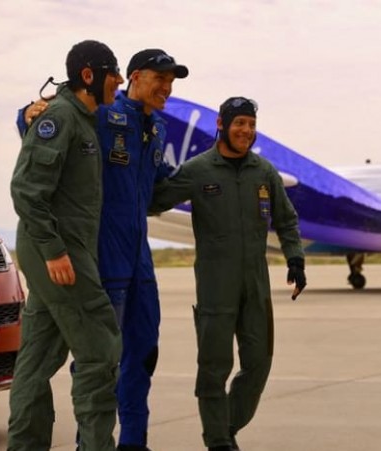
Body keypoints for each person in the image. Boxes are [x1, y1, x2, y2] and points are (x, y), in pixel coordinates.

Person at [18, 49, 189, 451]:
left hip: (139, 260)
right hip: (103, 256)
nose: (167, 87)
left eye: (171, 81)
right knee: (100, 361)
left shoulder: (157, 127)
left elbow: (156, 189)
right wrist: (26, 113)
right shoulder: (101, 112)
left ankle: (133, 442)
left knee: (143, 353)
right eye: (160, 79)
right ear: (135, 77)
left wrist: (205, 177)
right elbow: (50, 123)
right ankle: (90, 443)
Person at [149, 97, 307, 451]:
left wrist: (295, 259)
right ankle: (218, 441)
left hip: (256, 284)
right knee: (213, 368)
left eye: (251, 124)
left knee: (259, 364)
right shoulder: (198, 170)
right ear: (221, 124)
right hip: (215, 285)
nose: (246, 131)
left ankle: (226, 427)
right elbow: (154, 201)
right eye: (239, 123)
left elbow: (286, 219)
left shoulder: (264, 172)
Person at [8, 39, 124, 451]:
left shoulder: (83, 119)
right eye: (113, 73)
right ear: (89, 75)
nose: (119, 81)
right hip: (60, 254)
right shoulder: (60, 117)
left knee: (37, 360)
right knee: (100, 351)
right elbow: (26, 190)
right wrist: (55, 251)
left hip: (59, 252)